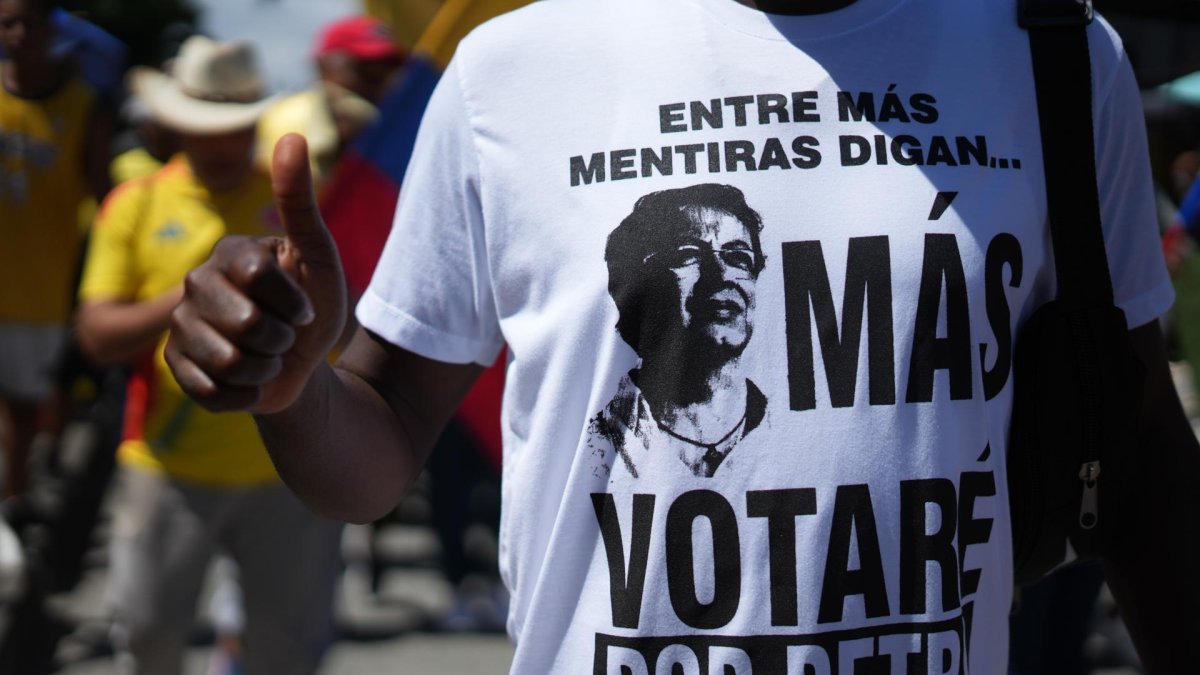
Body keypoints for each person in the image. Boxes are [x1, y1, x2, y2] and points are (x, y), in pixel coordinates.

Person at [165, 0, 1200, 673]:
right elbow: (377, 446)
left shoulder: (1048, 52)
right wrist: (292, 388)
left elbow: (1146, 454)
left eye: (737, 261)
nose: (722, 283)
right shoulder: (514, 72)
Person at [75, 36, 341, 675]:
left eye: (235, 128)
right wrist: (195, 294)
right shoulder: (135, 202)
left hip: (285, 466)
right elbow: (95, 333)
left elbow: (348, 323)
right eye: (205, 128)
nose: (221, 144)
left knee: (288, 649)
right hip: (167, 461)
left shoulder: (297, 202)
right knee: (147, 634)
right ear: (175, 123)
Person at [0, 0, 111, 498]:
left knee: (25, 415)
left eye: (33, 21)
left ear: (54, 26)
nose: (21, 34)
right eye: (8, 23)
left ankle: (15, 506)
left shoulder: (84, 107)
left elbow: (104, 201)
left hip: (41, 296)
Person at [588, 183, 768, 479]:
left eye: (738, 258)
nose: (722, 276)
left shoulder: (790, 427)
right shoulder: (597, 441)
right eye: (688, 255)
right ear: (633, 287)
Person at [257, 15, 405, 187]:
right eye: (364, 69)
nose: (377, 80)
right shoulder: (291, 114)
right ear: (323, 65)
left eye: (386, 71)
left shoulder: (393, 124)